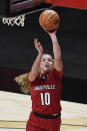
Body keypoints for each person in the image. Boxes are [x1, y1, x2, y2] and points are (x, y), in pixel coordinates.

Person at [26, 29, 63, 131]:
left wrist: (53, 36)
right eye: (44, 60)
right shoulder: (34, 78)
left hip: (53, 121)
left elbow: (58, 58)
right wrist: (40, 53)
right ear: (40, 64)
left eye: (49, 60)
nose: (47, 61)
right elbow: (33, 72)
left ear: (52, 64)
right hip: (35, 120)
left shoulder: (55, 76)